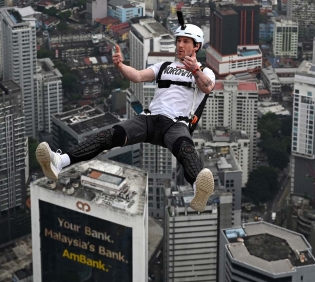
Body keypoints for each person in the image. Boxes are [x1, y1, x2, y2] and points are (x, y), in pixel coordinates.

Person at [36, 18, 216, 212]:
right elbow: (138, 76)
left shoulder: (205, 72)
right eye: (178, 41)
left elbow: (207, 87)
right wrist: (121, 66)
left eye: (186, 41)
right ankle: (59, 163)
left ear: (196, 46)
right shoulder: (164, 67)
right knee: (109, 136)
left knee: (185, 149)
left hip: (176, 123)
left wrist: (195, 71)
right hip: (149, 118)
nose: (180, 45)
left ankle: (198, 187)